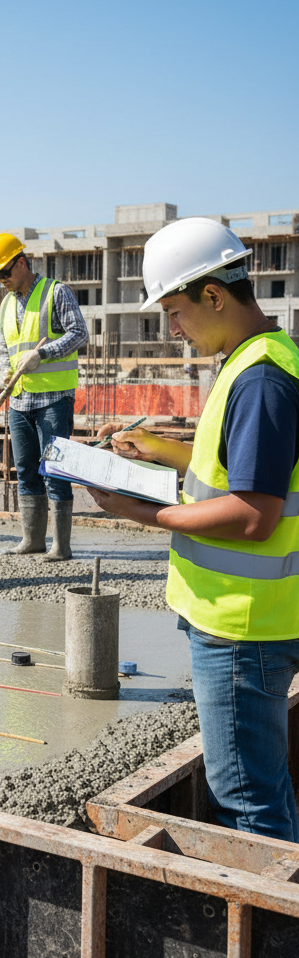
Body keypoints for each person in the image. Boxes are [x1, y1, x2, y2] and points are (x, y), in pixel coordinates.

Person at [88, 216, 299, 842]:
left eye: (175, 312)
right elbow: (238, 469)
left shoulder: (259, 379)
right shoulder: (263, 358)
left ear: (213, 295)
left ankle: (269, 899)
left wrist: (140, 512)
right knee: (263, 786)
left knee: (247, 803)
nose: (172, 329)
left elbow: (253, 514)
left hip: (241, 626)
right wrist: (156, 449)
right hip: (250, 618)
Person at [0, 232, 88, 560]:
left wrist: (42, 354)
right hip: (19, 400)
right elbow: (7, 349)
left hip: (54, 399)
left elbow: (79, 333)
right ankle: (32, 540)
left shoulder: (56, 292)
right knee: (26, 471)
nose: (1, 279)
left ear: (22, 263)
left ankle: (61, 546)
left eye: (4, 272)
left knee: (55, 470)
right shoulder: (5, 305)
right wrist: (4, 374)